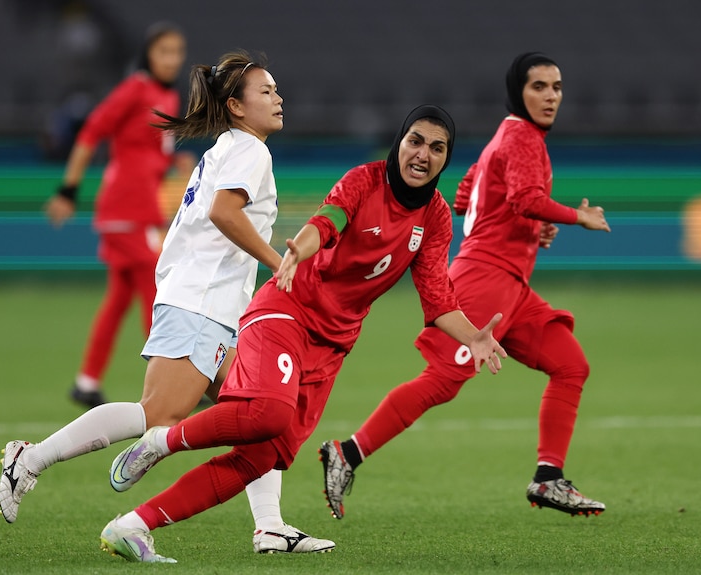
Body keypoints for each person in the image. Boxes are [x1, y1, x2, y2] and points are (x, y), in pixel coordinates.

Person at [96, 104, 508, 564]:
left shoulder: (434, 217)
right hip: (286, 310)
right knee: (268, 413)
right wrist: (295, 254)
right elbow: (324, 223)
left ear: (446, 159)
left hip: (332, 347)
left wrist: (472, 336)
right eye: (415, 141)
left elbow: (437, 297)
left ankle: (132, 526)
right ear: (399, 142)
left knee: (259, 458)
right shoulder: (363, 181)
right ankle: (161, 441)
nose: (423, 155)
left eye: (437, 148)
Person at [0, 49, 334, 556]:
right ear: (237, 107)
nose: (278, 97)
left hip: (213, 305)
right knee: (160, 415)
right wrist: (275, 259)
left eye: (276, 89)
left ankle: (270, 526)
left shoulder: (229, 147)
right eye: (266, 91)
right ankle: (30, 459)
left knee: (261, 416)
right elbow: (224, 212)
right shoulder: (249, 151)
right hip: (200, 302)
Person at [319, 52, 612, 520]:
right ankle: (347, 453)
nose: (551, 96)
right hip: (486, 279)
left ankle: (548, 478)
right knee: (443, 381)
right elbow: (523, 197)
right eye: (539, 86)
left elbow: (467, 194)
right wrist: (577, 216)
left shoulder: (506, 136)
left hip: (512, 284)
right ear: (519, 91)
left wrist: (525, 226)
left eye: (556, 87)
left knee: (570, 364)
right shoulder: (522, 136)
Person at [45, 22, 192, 409]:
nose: (172, 59)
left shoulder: (166, 97)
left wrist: (172, 159)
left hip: (134, 210)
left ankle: (87, 382)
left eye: (177, 52)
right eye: (164, 51)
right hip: (128, 211)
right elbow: (92, 131)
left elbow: (146, 152)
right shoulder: (136, 89)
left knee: (120, 298)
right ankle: (174, 382)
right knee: (157, 291)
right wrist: (68, 189)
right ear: (148, 54)